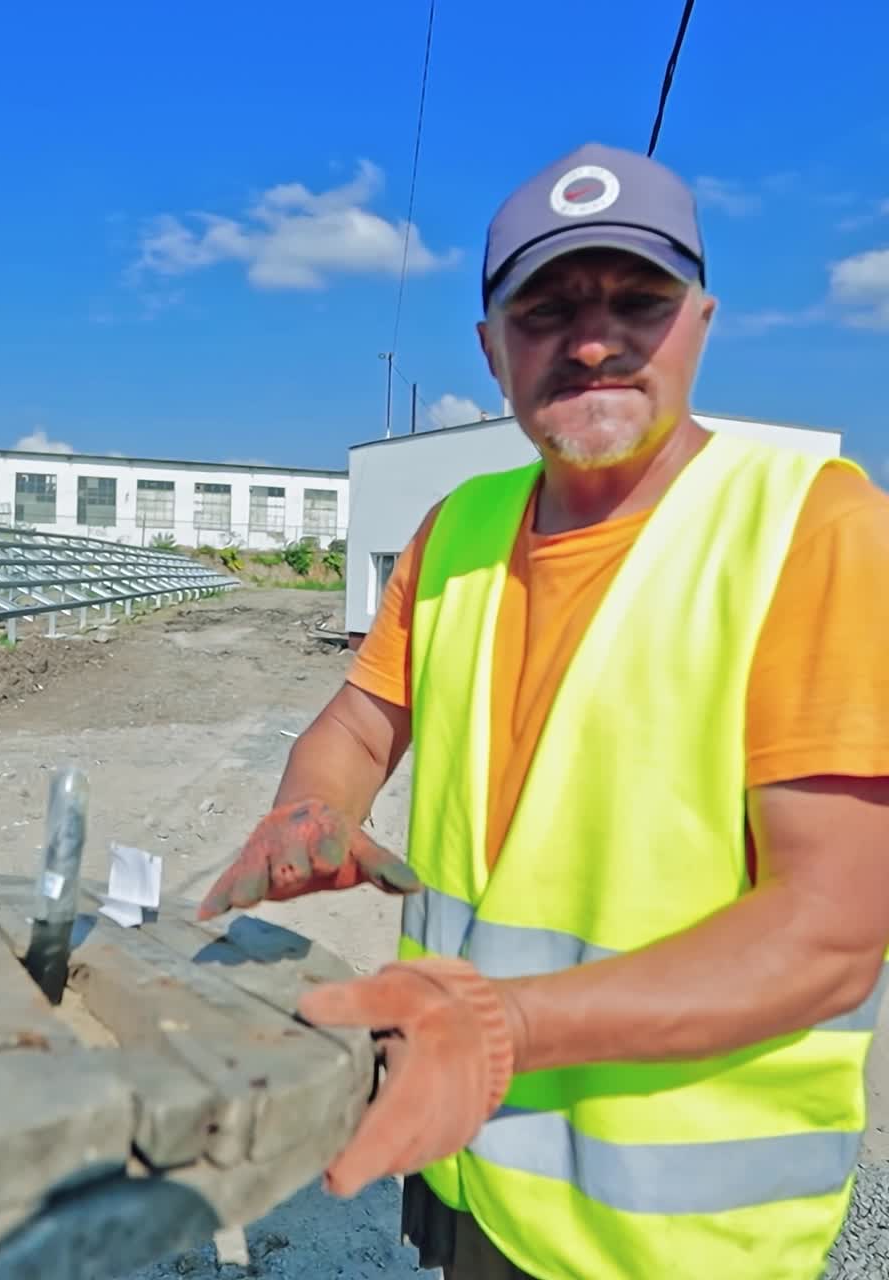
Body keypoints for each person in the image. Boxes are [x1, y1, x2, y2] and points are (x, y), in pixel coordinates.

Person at [196, 141, 889, 1280]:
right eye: (546, 306)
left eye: (638, 300)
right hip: (478, 1160)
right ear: (488, 347)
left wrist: (497, 1024)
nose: (591, 339)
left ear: (701, 320)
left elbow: (827, 932)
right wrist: (309, 808)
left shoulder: (813, 533)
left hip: (677, 1233)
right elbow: (361, 722)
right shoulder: (458, 530)